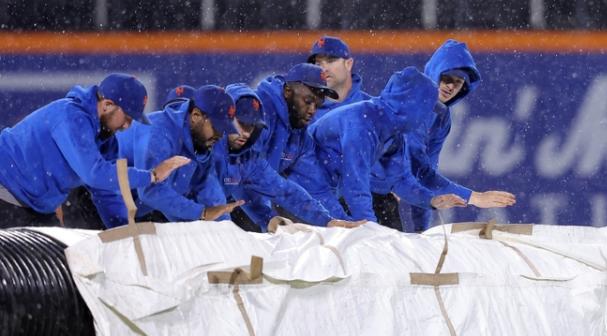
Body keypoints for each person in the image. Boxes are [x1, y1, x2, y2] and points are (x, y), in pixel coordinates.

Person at [0, 74, 188, 228]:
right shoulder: (70, 116)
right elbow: (94, 174)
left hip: (34, 206)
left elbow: (106, 193)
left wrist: (125, 231)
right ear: (107, 105)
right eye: (127, 117)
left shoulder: (106, 142)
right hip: (5, 191)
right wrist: (152, 176)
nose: (127, 125)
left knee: (59, 268)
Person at [306, 67, 467, 222]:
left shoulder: (393, 132)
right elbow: (355, 184)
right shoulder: (362, 123)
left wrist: (431, 200)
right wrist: (369, 226)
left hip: (322, 191)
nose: (427, 116)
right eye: (426, 108)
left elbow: (400, 180)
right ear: (410, 104)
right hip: (303, 188)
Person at [88, 84, 245, 226]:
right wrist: (201, 213)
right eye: (217, 127)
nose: (220, 135)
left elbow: (205, 185)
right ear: (196, 115)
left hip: (130, 210)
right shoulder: (158, 131)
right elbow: (150, 191)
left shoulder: (201, 142)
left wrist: (225, 227)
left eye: (225, 129)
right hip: (91, 201)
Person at [217, 83, 364, 232]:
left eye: (251, 126)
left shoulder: (248, 160)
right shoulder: (203, 148)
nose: (246, 133)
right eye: (241, 123)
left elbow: (284, 191)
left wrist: (328, 221)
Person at [409, 39, 516, 231]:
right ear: (434, 73)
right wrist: (476, 198)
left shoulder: (441, 117)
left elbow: (424, 176)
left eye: (458, 83)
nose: (450, 87)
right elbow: (409, 172)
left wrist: (421, 232)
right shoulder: (413, 104)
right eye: (447, 78)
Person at [254, 63, 339, 179]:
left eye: (318, 105)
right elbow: (245, 171)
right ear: (287, 91)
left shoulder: (301, 134)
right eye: (308, 101)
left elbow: (313, 183)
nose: (312, 111)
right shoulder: (259, 113)